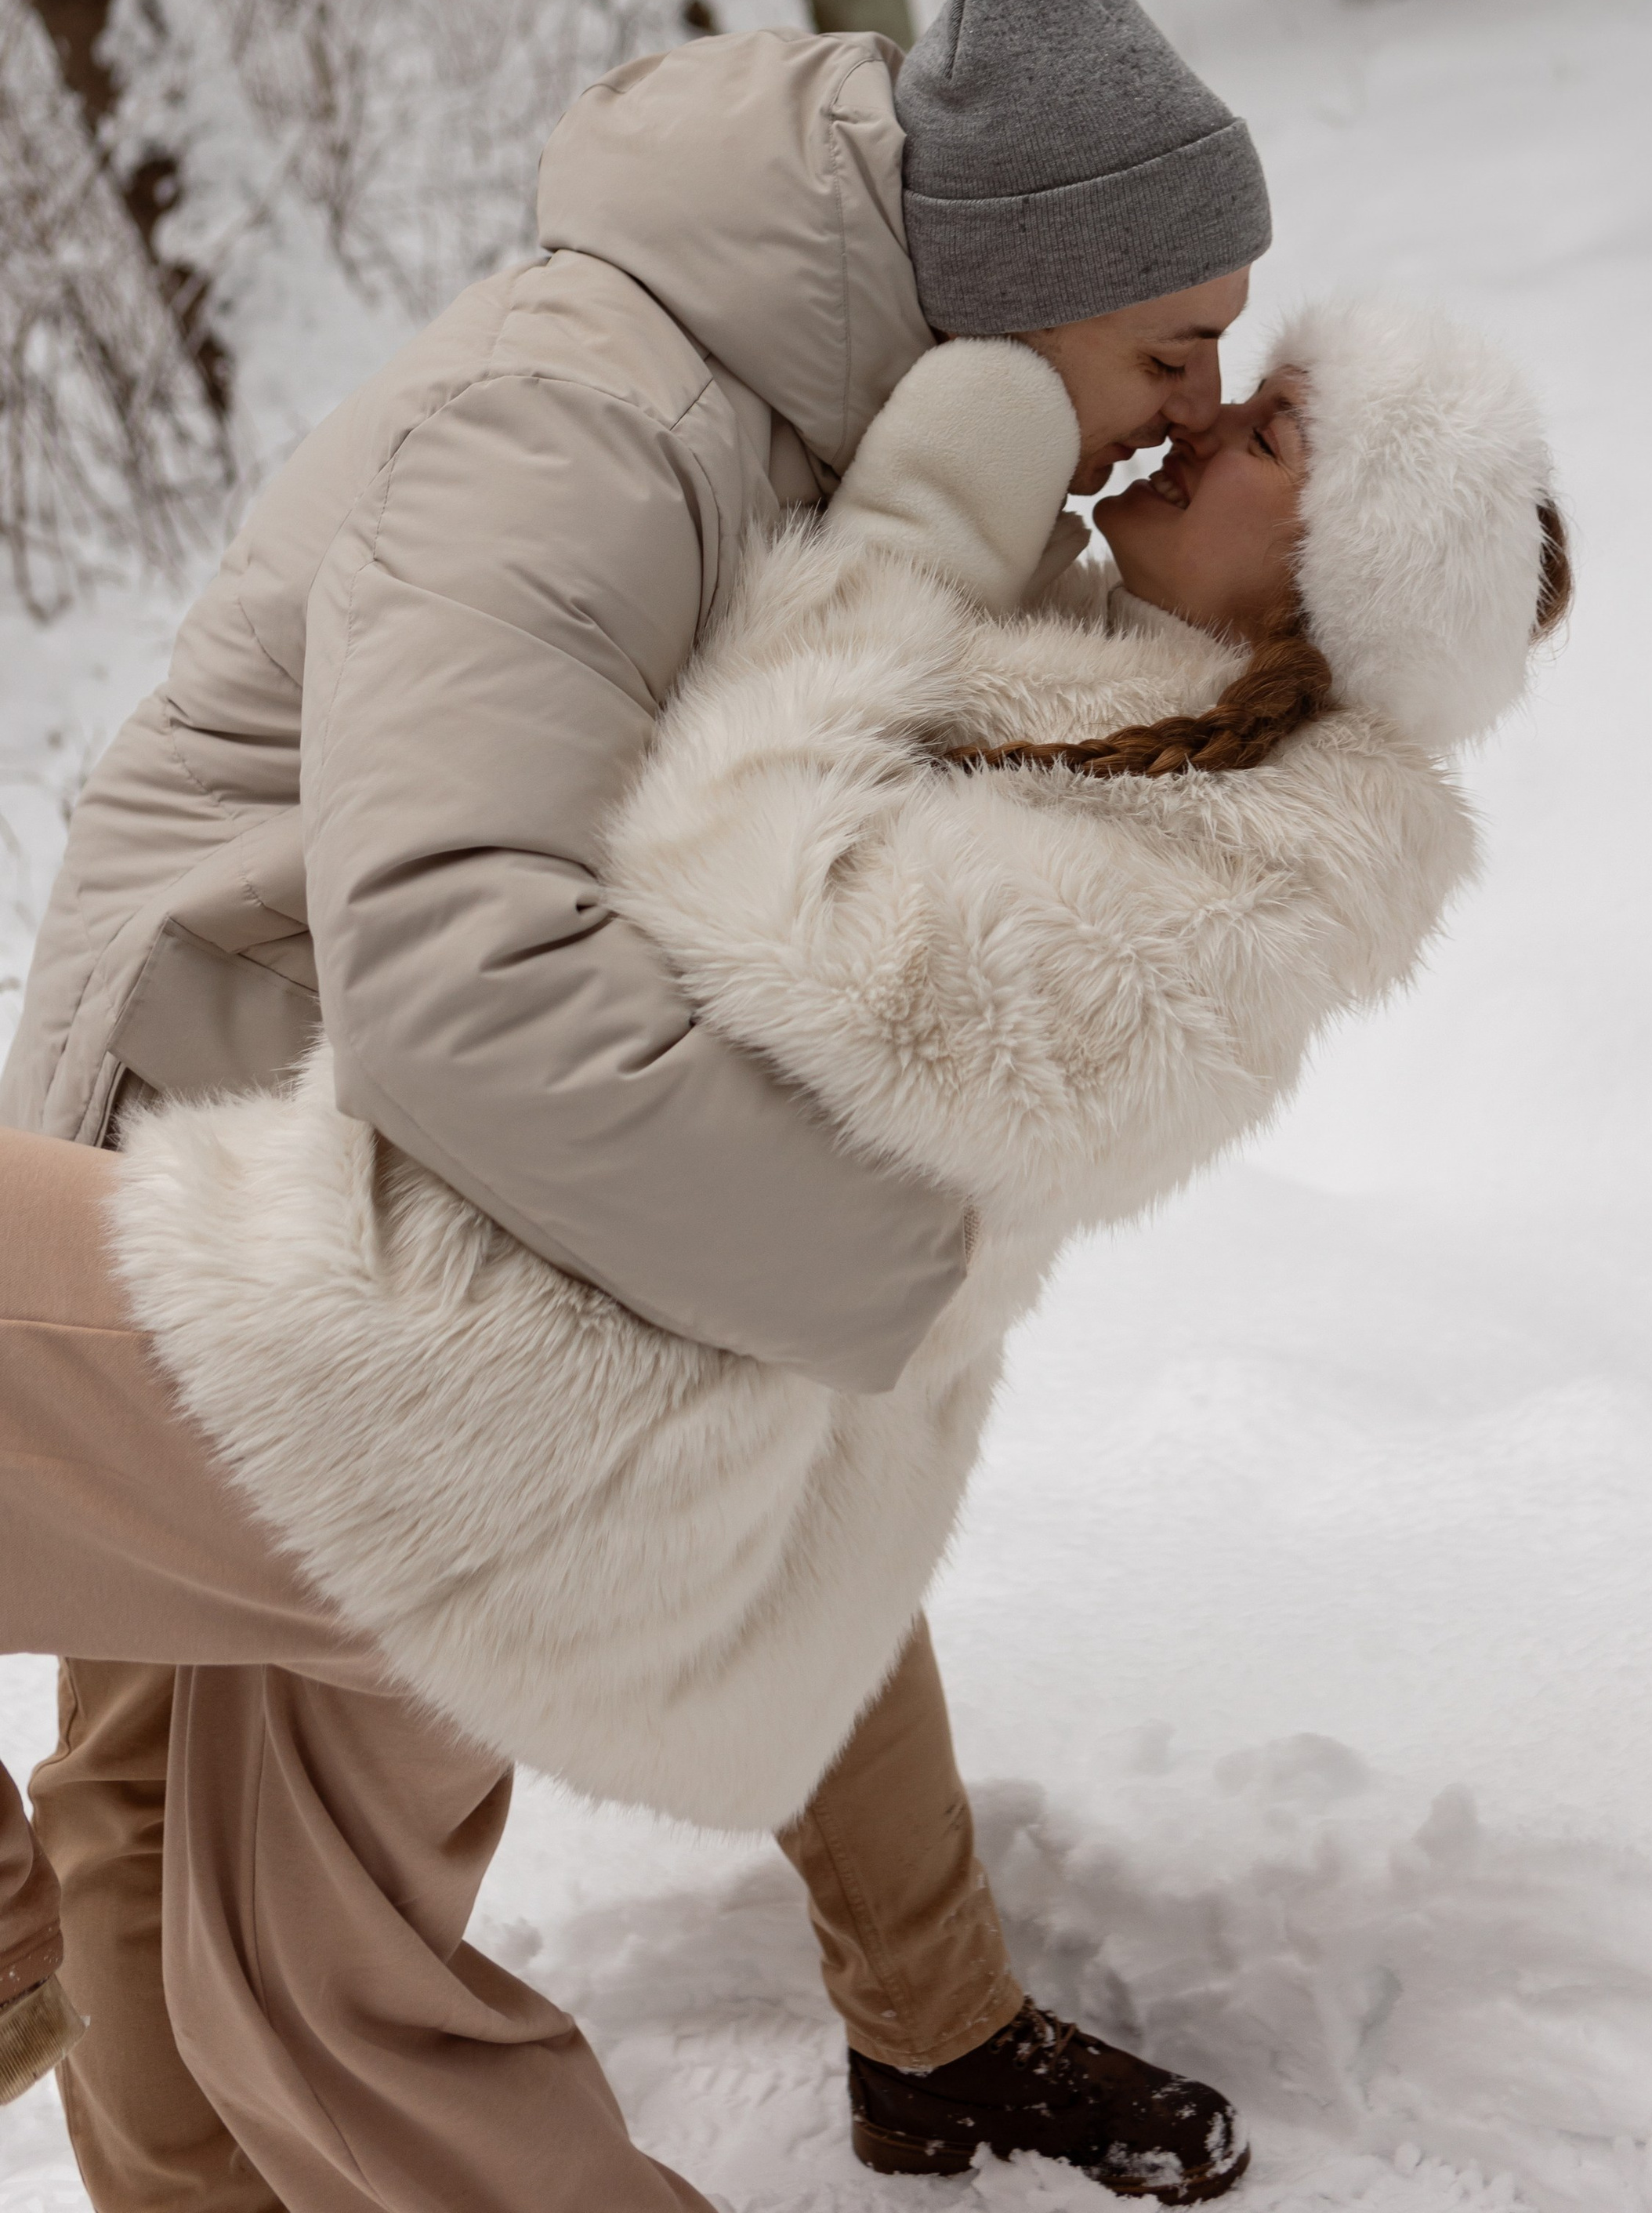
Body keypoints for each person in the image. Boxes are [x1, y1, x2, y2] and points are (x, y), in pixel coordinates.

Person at [0, 281, 1567, 2207]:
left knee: (304, 1988)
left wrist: (901, 541)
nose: (1200, 425)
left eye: (1271, 437)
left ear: (1330, 587)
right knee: (314, 2006)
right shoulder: (1117, 689)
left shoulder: (1229, 894)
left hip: (495, 1371)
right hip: (552, 1360)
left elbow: (735, 884)